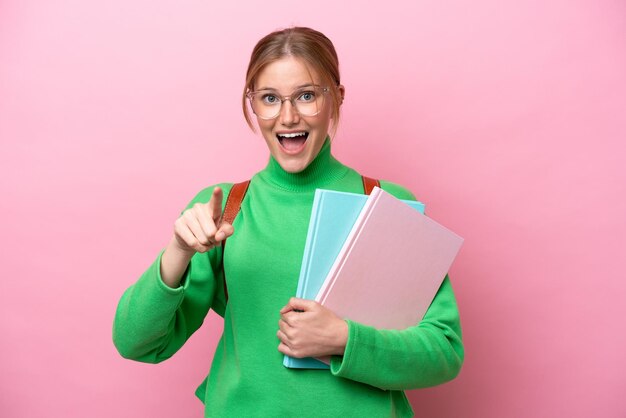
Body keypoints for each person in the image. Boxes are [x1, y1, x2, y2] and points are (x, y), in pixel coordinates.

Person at [113, 26, 463, 417]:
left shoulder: (387, 204)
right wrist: (177, 251)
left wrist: (344, 338)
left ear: (337, 98)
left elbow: (443, 351)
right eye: (269, 99)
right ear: (252, 104)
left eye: (307, 95)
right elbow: (136, 342)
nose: (288, 116)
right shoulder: (224, 209)